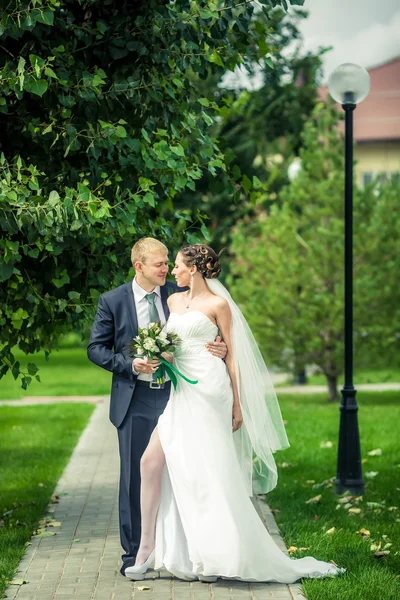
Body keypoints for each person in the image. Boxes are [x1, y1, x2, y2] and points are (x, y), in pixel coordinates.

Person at [125, 244, 345, 584]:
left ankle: (212, 556)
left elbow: (232, 356)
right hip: (182, 393)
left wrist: (237, 404)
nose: (173, 272)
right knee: (151, 462)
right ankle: (146, 549)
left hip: (211, 392)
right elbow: (175, 344)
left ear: (193, 269)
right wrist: (158, 354)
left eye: (178, 266)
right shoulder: (172, 301)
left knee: (206, 472)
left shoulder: (218, 304)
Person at [87, 238, 227, 575]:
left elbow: (204, 330)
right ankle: (135, 554)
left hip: (177, 397)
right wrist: (131, 364)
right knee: (137, 474)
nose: (167, 269)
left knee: (184, 472)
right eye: (160, 264)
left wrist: (219, 347)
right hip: (134, 399)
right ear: (139, 267)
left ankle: (187, 549)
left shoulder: (177, 295)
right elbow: (95, 348)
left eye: (168, 263)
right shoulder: (113, 301)